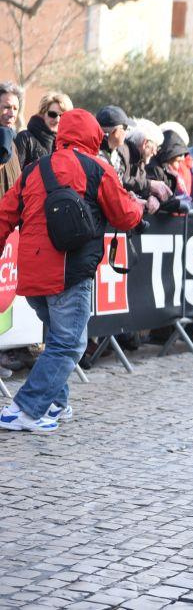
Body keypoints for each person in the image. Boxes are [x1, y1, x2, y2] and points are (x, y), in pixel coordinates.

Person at [0, 109, 145, 431]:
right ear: (95, 136)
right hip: (69, 271)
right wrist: (139, 206)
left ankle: (55, 403)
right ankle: (24, 410)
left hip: (32, 274)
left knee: (57, 341)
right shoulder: (97, 168)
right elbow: (125, 216)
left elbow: (4, 215)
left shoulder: (34, 169)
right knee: (69, 345)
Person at [15, 91, 71, 168]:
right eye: (52, 114)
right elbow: (15, 174)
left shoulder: (68, 145)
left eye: (62, 116)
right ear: (42, 113)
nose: (57, 120)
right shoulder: (25, 138)